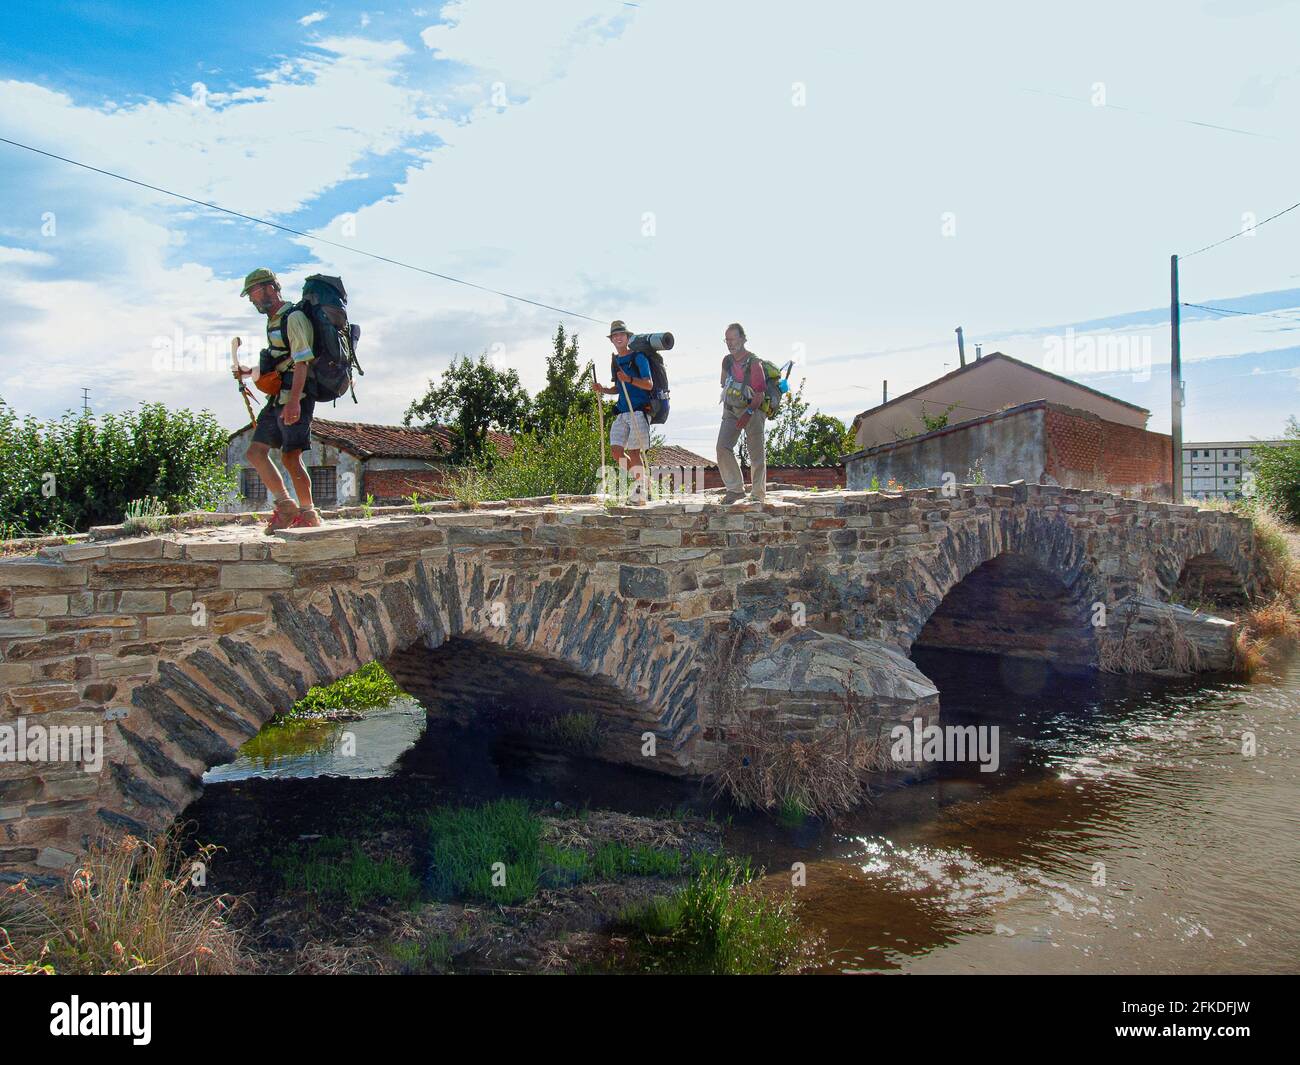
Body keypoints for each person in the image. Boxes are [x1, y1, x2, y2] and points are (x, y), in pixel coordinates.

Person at [231, 267, 322, 531]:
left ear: (271, 287)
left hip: (297, 394)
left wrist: (294, 402)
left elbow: (303, 361)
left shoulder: (293, 317)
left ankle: (308, 513)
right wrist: (248, 372)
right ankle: (285, 507)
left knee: (291, 457)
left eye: (254, 292)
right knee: (255, 453)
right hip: (278, 396)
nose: (252, 299)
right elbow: (280, 361)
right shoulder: (272, 321)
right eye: (250, 294)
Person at [591, 319, 653, 505]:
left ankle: (641, 491)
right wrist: (603, 390)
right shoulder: (615, 361)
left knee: (634, 453)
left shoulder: (639, 358)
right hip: (622, 411)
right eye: (615, 335)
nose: (618, 338)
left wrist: (629, 379)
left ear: (627, 337)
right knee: (616, 452)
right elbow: (619, 388)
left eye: (621, 334)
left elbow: (649, 384)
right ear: (612, 340)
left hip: (639, 411)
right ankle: (642, 481)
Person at [717, 322, 767, 503]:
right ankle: (735, 489)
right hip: (731, 409)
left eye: (733, 339)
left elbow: (759, 394)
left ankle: (758, 494)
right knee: (722, 447)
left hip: (753, 410)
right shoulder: (727, 360)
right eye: (727, 340)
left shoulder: (754, 363)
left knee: (756, 454)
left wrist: (748, 413)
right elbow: (723, 383)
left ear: (743, 339)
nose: (730, 343)